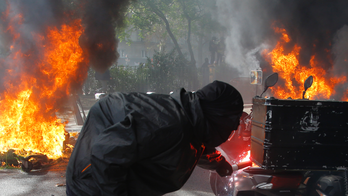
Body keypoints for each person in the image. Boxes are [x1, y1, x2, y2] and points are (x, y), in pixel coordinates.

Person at [66, 80, 244, 196]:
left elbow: (195, 148)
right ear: (218, 116)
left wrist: (219, 163)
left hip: (115, 177)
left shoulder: (192, 122)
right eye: (230, 123)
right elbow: (106, 155)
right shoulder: (170, 124)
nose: (230, 129)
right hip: (92, 183)